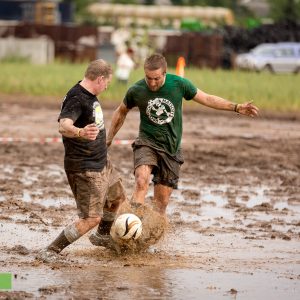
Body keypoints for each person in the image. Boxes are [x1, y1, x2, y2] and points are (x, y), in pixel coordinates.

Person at [106, 53, 259, 216]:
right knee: (141, 181)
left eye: (156, 78)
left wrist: (236, 107)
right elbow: (120, 112)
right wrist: (109, 138)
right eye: (148, 78)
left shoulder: (179, 84)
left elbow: (207, 98)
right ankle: (130, 225)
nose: (151, 83)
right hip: (147, 143)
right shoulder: (136, 90)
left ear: (165, 73)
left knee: (161, 203)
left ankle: (149, 234)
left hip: (171, 148)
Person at [37, 59, 126, 262]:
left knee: (116, 198)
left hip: (102, 161)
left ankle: (102, 236)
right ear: (100, 79)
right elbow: (63, 125)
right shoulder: (77, 98)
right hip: (85, 168)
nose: (107, 87)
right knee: (91, 218)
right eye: (107, 83)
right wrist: (80, 131)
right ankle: (50, 251)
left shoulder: (89, 94)